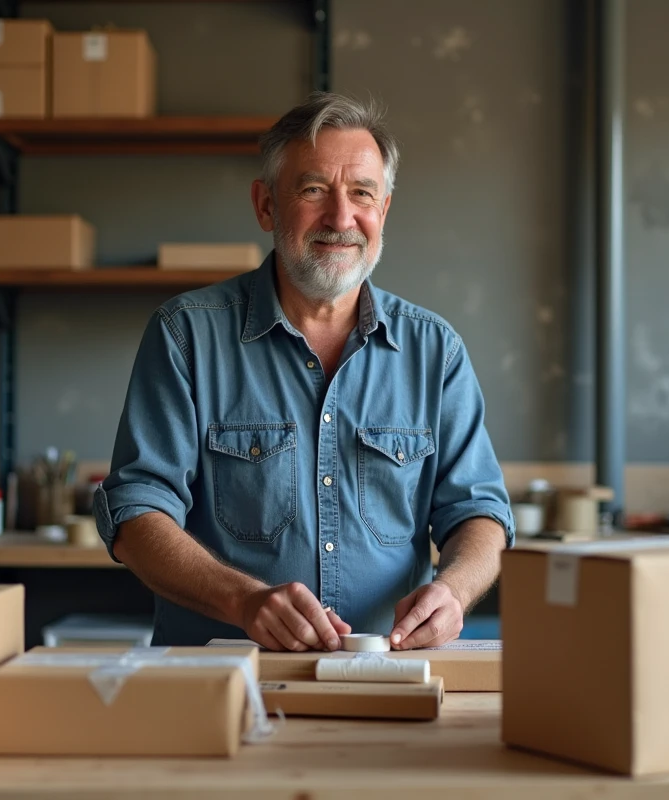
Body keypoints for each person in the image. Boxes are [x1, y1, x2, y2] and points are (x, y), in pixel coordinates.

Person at [95, 91, 514, 652]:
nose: (341, 218)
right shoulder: (185, 335)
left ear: (383, 210)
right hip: (224, 682)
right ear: (266, 206)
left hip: (386, 677)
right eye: (314, 190)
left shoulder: (435, 352)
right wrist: (242, 600)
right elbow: (135, 513)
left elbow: (480, 513)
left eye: (362, 193)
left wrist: (454, 591)